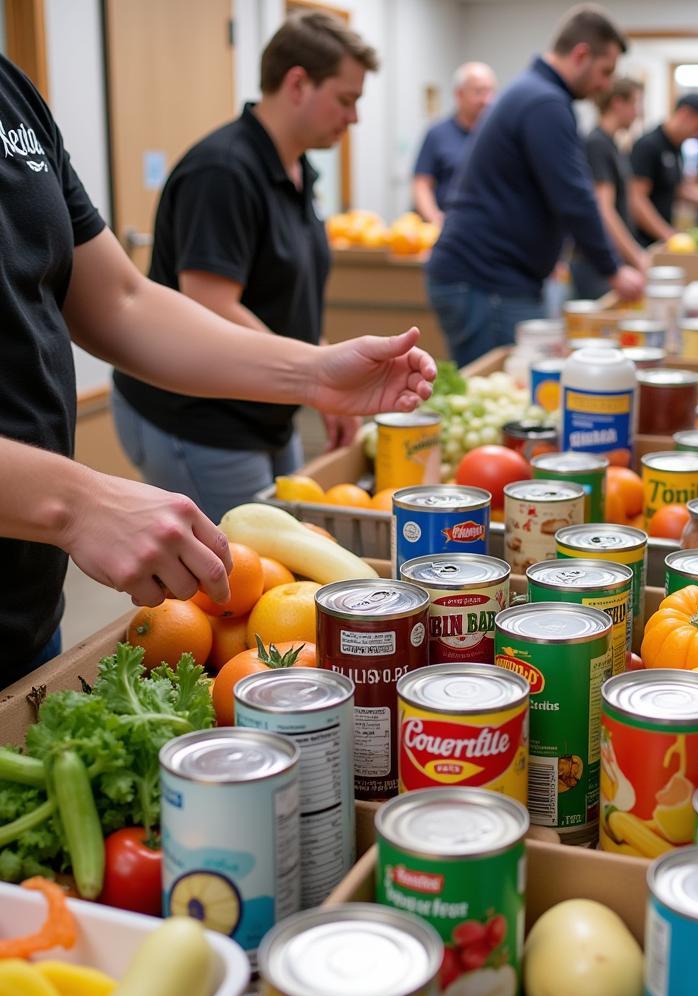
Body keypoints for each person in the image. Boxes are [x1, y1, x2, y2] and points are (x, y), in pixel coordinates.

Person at [0, 52, 435, 688]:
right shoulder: (224, 167)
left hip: (25, 609)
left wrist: (313, 373)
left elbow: (122, 302)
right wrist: (77, 503)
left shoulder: (14, 94)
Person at [112, 12, 376, 525]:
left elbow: (287, 299)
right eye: (346, 100)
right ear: (298, 83)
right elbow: (210, 305)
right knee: (235, 580)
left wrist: (321, 383)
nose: (354, 117)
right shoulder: (225, 171)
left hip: (266, 407)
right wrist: (313, 379)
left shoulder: (295, 171)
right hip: (202, 416)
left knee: (284, 557)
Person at [426, 4, 645, 367]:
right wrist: (613, 269)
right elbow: (574, 196)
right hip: (486, 280)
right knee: (503, 394)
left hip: (492, 277)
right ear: (580, 55)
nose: (605, 85)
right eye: (605, 71)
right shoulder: (544, 102)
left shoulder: (535, 93)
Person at [570, 76, 648, 300]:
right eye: (635, 103)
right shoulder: (597, 144)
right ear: (617, 103)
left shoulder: (613, 144)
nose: (638, 112)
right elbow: (603, 210)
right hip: (595, 266)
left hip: (611, 260)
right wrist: (637, 256)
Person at [629, 93, 698, 247]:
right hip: (643, 241)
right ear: (684, 114)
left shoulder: (675, 146)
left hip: (660, 239)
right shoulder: (649, 145)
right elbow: (636, 199)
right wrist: (668, 234)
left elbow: (680, 189)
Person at [412, 61, 497, 225]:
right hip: (446, 227)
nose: (486, 100)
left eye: (490, 92)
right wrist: (434, 218)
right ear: (459, 94)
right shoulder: (437, 133)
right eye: (479, 92)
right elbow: (421, 184)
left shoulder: (498, 136)